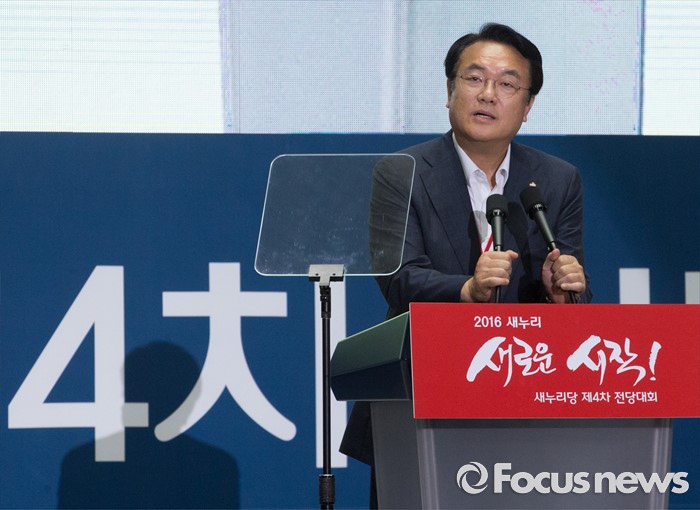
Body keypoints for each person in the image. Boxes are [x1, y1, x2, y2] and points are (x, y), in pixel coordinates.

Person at [340, 22, 592, 507]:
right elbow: (399, 279)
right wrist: (467, 291)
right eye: (474, 78)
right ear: (450, 90)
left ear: (528, 105)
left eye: (507, 84)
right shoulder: (403, 172)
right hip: (422, 395)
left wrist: (563, 294)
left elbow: (571, 283)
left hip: (525, 399)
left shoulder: (558, 179)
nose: (488, 94)